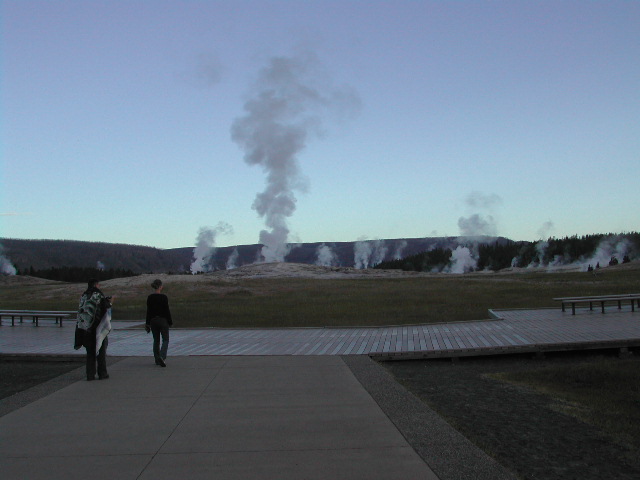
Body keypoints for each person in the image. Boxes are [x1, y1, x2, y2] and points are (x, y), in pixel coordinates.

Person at [74, 279, 114, 381]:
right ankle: (102, 373)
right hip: (97, 328)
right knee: (101, 350)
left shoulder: (83, 296)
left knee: (90, 353)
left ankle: (90, 374)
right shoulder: (98, 295)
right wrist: (110, 302)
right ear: (96, 285)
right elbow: (105, 308)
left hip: (85, 328)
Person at [145, 279, 173, 367]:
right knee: (165, 339)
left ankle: (157, 358)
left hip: (153, 320)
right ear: (160, 286)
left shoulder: (150, 297)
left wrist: (147, 323)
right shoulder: (164, 297)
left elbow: (148, 311)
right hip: (163, 320)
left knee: (156, 340)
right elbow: (166, 310)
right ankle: (162, 356)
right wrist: (170, 321)